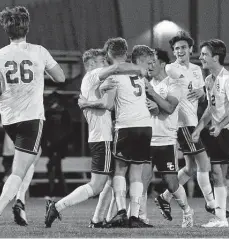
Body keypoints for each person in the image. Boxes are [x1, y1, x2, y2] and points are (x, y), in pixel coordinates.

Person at [0, 6, 65, 234]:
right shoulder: (38, 51)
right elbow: (61, 77)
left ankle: (21, 203)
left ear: (6, 30)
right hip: (31, 118)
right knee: (19, 170)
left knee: (31, 157)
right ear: (27, 27)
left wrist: (7, 82)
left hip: (9, 118)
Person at [44, 47, 147, 228]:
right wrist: (138, 68)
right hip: (103, 138)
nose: (105, 65)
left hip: (101, 136)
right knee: (97, 185)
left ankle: (99, 219)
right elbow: (115, 70)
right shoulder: (92, 76)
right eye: (101, 62)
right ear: (91, 64)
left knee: (113, 178)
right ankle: (58, 206)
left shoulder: (92, 81)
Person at [157, 31, 229, 221]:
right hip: (183, 124)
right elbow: (171, 81)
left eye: (183, 47)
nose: (180, 51)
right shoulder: (171, 68)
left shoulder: (197, 69)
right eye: (176, 48)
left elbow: (202, 93)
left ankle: (164, 197)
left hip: (193, 122)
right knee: (204, 163)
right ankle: (211, 203)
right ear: (173, 52)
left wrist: (201, 92)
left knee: (190, 169)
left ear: (191, 49)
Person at [192, 39, 229, 227]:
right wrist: (199, 127)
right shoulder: (209, 80)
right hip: (216, 131)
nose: (200, 57)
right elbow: (210, 109)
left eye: (204, 54)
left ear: (215, 57)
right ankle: (220, 219)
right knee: (217, 173)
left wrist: (220, 126)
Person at [100, 38, 152, 228]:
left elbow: (108, 105)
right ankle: (135, 216)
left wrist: (92, 98)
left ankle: (121, 211)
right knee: (136, 172)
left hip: (126, 126)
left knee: (119, 170)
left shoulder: (113, 75)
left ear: (109, 54)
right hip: (145, 126)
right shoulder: (138, 71)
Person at [142, 47, 194, 227]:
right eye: (147, 62)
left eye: (152, 62)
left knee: (171, 183)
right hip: (148, 140)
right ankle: (141, 217)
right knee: (142, 180)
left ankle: (187, 211)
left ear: (162, 63)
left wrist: (153, 95)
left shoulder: (173, 83)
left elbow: (170, 108)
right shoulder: (147, 84)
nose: (149, 65)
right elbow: (152, 109)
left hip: (166, 141)